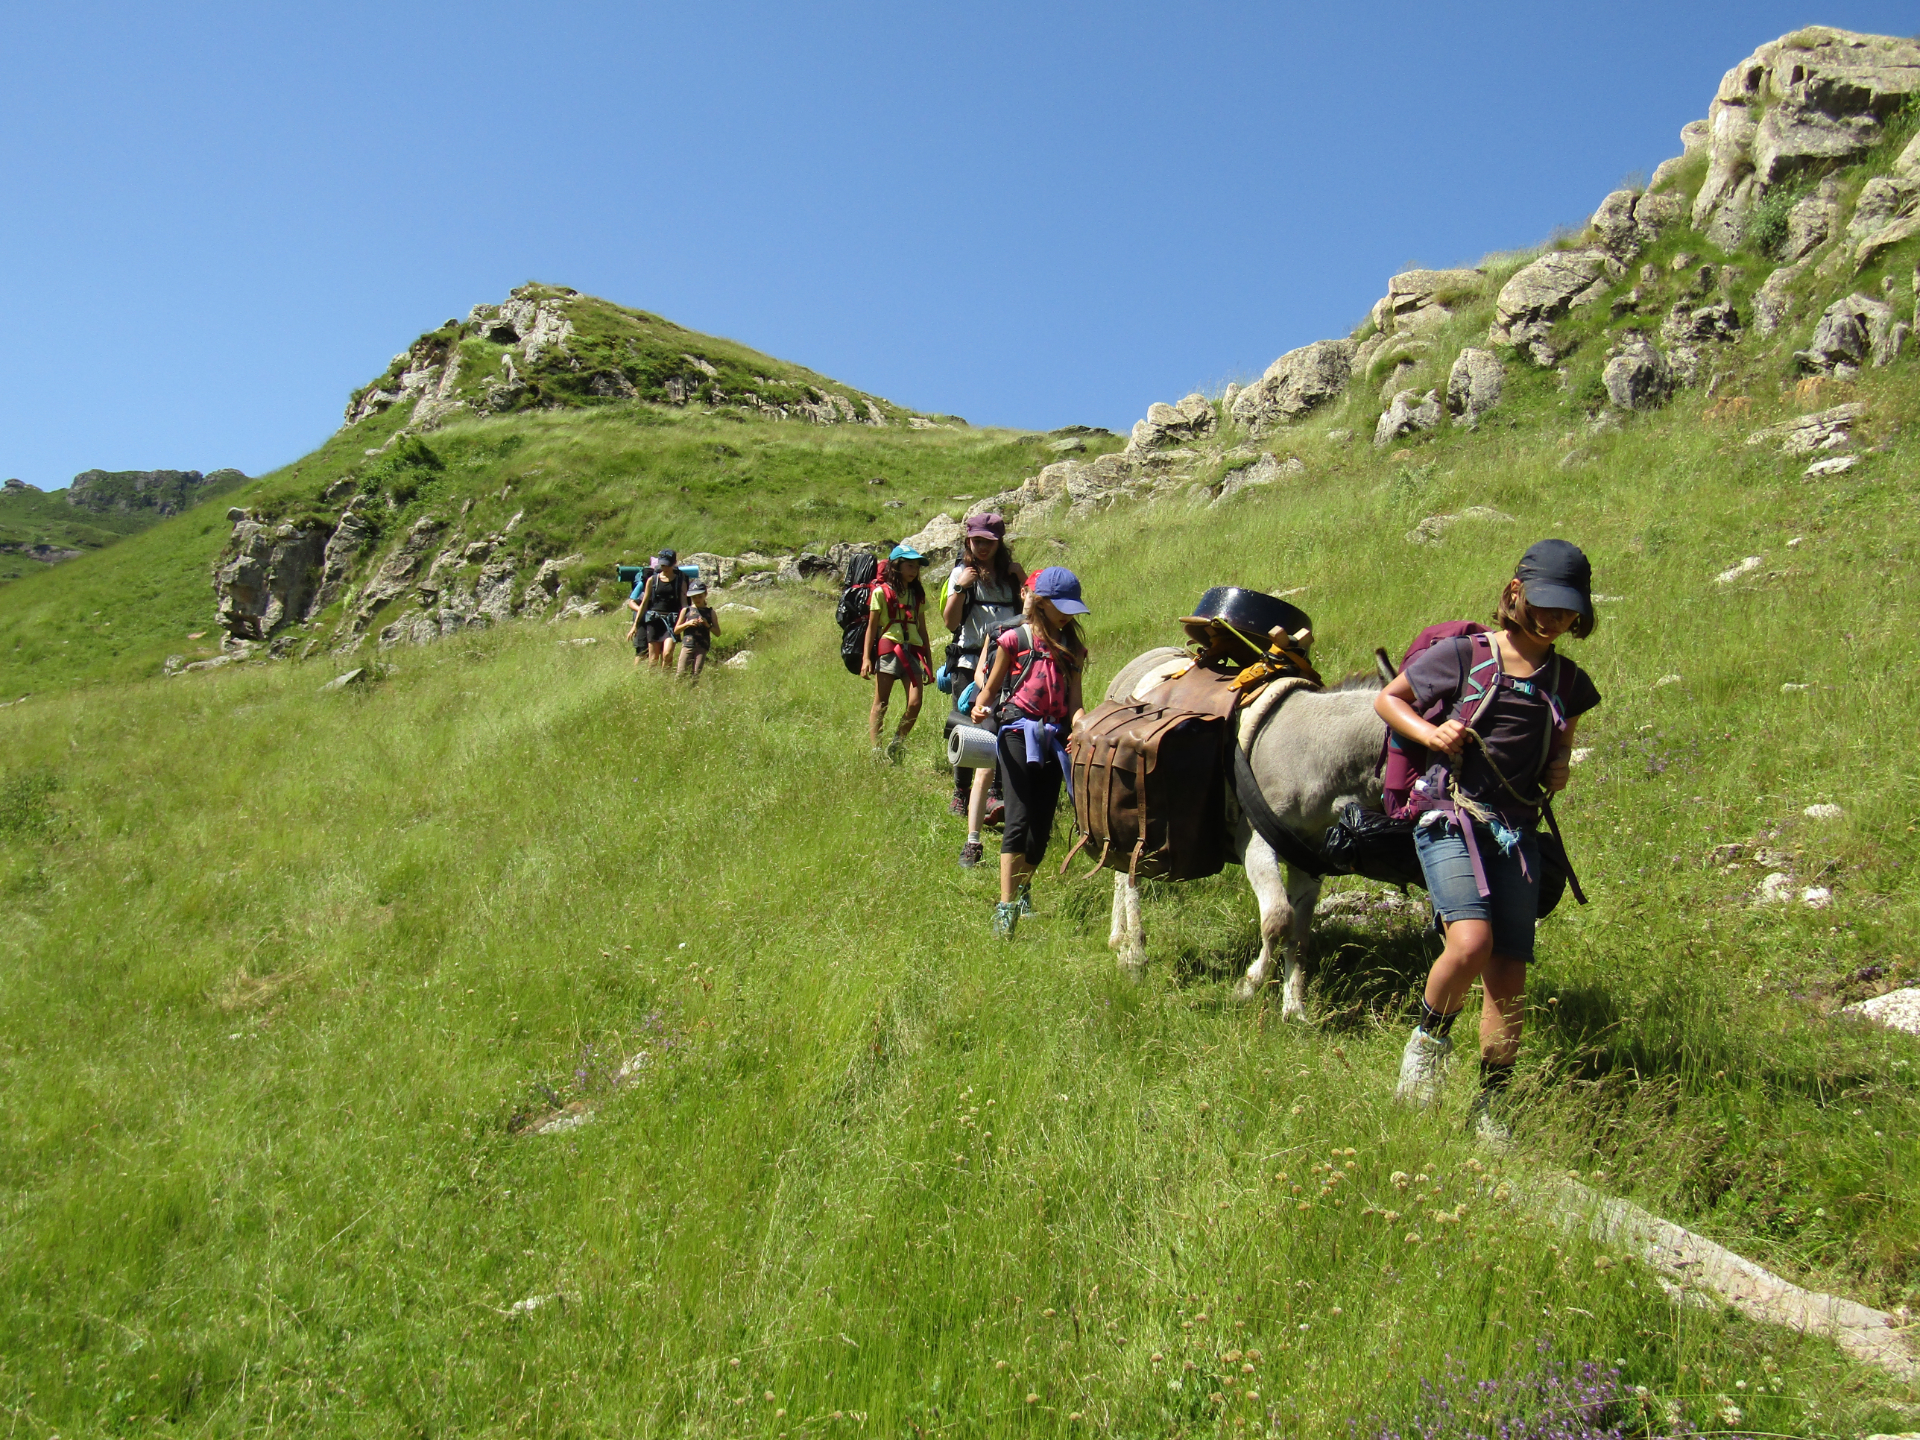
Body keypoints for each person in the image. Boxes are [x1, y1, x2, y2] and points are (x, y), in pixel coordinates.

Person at [1372, 539, 1602, 1141]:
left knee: (1510, 973)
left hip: (1515, 831)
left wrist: (1562, 768)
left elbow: (1560, 748)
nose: (1553, 619)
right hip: (1448, 812)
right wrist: (1432, 730)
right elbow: (1388, 700)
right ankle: (1426, 1048)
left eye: (1567, 610)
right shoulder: (1464, 655)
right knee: (1471, 944)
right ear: (1515, 593)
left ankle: (1492, 1107)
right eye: (1543, 604)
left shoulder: (1569, 682)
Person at [969, 567, 1088, 937]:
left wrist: (1083, 727)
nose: (1067, 614)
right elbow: (991, 690)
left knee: (1041, 827)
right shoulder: (1013, 640)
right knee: (1018, 820)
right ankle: (1005, 908)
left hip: (1055, 739)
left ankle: (1022, 891)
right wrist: (979, 708)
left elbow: (1076, 703)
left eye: (1072, 608)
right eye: (1061, 606)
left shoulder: (1074, 651)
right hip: (1017, 733)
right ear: (1042, 601)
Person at [941, 514, 1025, 863]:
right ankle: (962, 790)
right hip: (968, 660)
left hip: (1006, 659)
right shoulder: (962, 574)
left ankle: (994, 791)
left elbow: (1027, 612)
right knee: (966, 726)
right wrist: (961, 586)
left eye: (988, 541)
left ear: (998, 542)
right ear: (969, 541)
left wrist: (1021, 580)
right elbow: (949, 621)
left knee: (999, 724)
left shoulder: (1009, 575)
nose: (982, 546)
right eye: (976, 540)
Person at [862, 545, 934, 762]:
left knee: (915, 702)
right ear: (896, 566)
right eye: (909, 565)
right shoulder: (880, 592)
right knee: (881, 702)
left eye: (916, 567)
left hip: (912, 653)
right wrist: (867, 658)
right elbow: (872, 627)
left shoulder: (917, 595)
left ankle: (897, 743)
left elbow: (922, 629)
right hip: (888, 650)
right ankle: (876, 751)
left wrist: (928, 661)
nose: (914, 570)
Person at [636, 550, 688, 669]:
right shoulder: (652, 580)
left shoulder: (680, 581)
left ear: (674, 563)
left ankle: (666, 680)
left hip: (671, 621)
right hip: (654, 621)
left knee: (667, 654)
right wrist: (636, 624)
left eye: (667, 565)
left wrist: (683, 621)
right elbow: (644, 603)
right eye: (662, 565)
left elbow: (684, 604)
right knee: (653, 657)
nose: (665, 568)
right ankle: (653, 681)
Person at [673, 582, 719, 679]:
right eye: (694, 597)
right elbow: (676, 630)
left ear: (705, 595)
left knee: (695, 675)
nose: (697, 599)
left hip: (702, 647)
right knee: (680, 673)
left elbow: (718, 633)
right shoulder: (686, 610)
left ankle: (692, 691)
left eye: (699, 596)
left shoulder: (710, 612)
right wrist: (687, 624)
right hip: (687, 645)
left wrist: (707, 625)